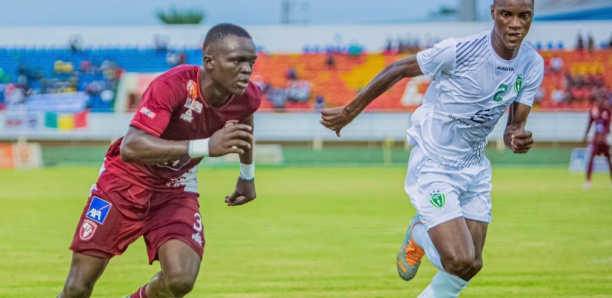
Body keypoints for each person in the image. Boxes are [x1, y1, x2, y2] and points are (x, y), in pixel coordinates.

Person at [320, 0, 543, 297]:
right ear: (493, 13)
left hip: (474, 167)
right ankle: (418, 233)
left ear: (531, 17)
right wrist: (350, 111)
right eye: (506, 14)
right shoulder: (459, 50)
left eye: (523, 16)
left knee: (472, 264)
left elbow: (513, 127)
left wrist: (516, 138)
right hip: (434, 163)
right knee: (459, 259)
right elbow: (398, 69)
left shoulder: (532, 64)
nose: (515, 24)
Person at [57, 23, 261, 298]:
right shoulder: (173, 85)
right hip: (122, 183)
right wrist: (204, 146)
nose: (247, 70)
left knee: (180, 280)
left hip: (175, 189)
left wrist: (247, 175)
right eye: (237, 61)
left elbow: (244, 122)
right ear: (209, 62)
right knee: (77, 288)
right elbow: (131, 147)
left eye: (250, 61)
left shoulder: (248, 97)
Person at [583, 96, 612, 190]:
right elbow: (590, 123)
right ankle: (588, 182)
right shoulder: (593, 111)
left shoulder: (607, 111)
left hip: (604, 140)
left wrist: (604, 135)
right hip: (596, 140)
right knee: (591, 158)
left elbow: (608, 125)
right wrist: (586, 134)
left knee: (609, 160)